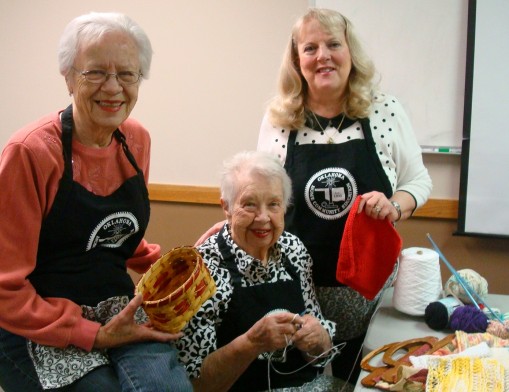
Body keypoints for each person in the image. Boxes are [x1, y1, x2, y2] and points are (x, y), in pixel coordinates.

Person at [196, 7, 432, 387]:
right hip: (298, 289)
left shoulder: (384, 110)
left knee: (368, 380)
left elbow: (418, 180)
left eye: (333, 44)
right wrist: (228, 225)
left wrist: (395, 206)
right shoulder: (279, 118)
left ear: (349, 52)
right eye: (310, 48)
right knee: (303, 378)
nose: (322, 55)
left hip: (369, 292)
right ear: (297, 61)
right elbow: (263, 192)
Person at [0, 12, 192, 392]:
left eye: (127, 74)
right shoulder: (31, 153)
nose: (113, 87)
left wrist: (167, 264)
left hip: (115, 306)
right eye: (96, 73)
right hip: (34, 322)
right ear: (69, 77)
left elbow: (110, 232)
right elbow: (4, 286)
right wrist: (93, 334)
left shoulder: (136, 140)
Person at [177, 151, 346, 392]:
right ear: (226, 207)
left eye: (274, 204)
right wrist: (251, 343)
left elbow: (321, 353)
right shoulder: (202, 273)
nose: (263, 218)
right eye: (249, 204)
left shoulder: (294, 250)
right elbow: (194, 384)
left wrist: (318, 339)